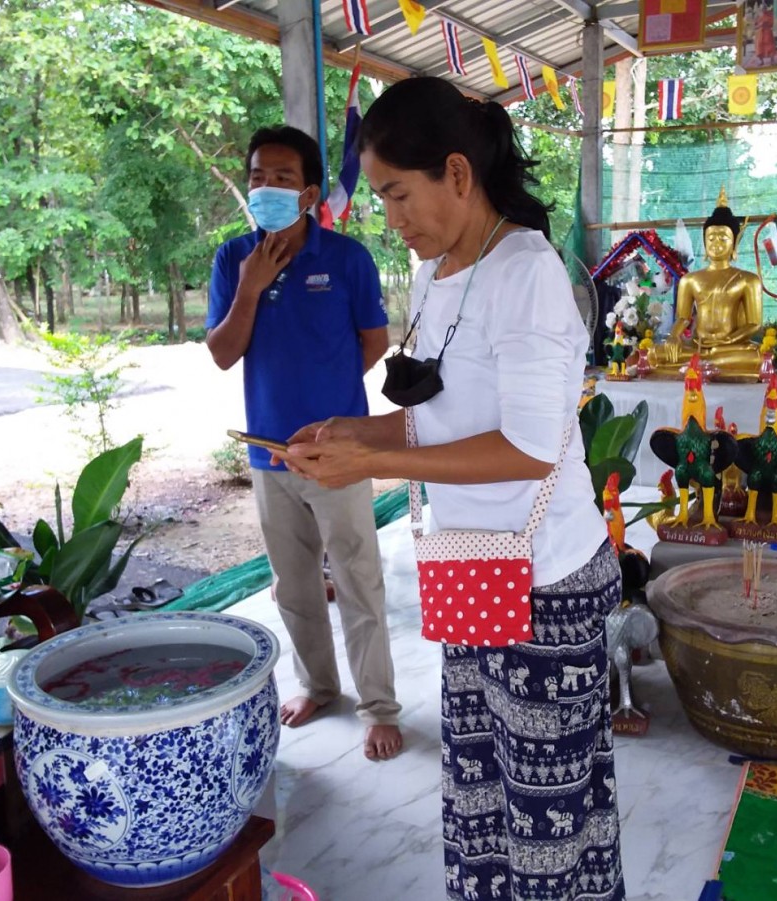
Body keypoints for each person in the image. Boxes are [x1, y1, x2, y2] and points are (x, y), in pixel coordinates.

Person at [281, 77, 625, 901]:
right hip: (475, 570)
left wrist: (375, 463)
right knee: (479, 794)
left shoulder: (527, 273)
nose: (391, 217)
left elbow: (530, 449)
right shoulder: (444, 274)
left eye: (400, 193)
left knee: (546, 811)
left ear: (459, 176)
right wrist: (349, 432)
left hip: (544, 582)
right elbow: (435, 422)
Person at [205, 125, 402, 761]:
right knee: (293, 587)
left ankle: (378, 707)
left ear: (310, 191)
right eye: (258, 176)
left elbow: (374, 342)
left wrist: (336, 415)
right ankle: (318, 686)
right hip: (268, 455)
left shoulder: (347, 259)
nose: (266, 188)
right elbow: (222, 354)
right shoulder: (232, 259)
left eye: (282, 179)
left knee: (357, 579)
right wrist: (250, 288)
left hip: (339, 456)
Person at [655, 188, 765, 376]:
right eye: (711, 238)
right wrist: (674, 336)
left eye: (723, 238)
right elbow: (683, 318)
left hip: (730, 348)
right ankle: (705, 363)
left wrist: (728, 341)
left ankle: (703, 364)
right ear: (705, 243)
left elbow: (754, 324)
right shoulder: (690, 280)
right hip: (698, 346)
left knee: (757, 358)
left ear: (734, 244)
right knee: (654, 355)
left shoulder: (748, 280)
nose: (716, 243)